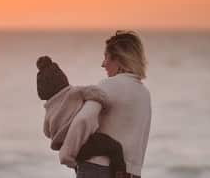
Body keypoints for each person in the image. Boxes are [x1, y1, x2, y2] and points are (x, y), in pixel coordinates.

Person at [59, 30, 151, 178]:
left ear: (119, 59)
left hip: (97, 169)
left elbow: (82, 120)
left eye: (106, 57)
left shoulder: (107, 86)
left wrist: (68, 156)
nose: (103, 64)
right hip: (130, 174)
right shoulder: (144, 94)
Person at [36, 56, 127, 176]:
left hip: (71, 150)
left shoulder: (48, 109)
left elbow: (47, 132)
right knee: (115, 148)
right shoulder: (74, 92)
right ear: (62, 78)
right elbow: (98, 93)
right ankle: (120, 174)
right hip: (86, 141)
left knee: (80, 168)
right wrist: (105, 106)